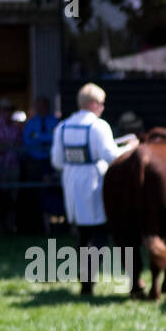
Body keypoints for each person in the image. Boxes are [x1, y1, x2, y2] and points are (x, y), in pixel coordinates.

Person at [50, 82, 138, 295]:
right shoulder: (99, 126)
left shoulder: (62, 126)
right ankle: (88, 276)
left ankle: (84, 275)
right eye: (100, 103)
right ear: (92, 103)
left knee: (82, 232)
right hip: (94, 182)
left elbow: (57, 161)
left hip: (71, 183)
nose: (102, 108)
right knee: (100, 232)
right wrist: (131, 147)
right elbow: (112, 156)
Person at [21, 96, 61, 234]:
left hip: (51, 162)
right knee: (35, 192)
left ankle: (57, 226)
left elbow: (56, 139)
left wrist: (38, 136)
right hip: (35, 163)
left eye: (43, 105)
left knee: (53, 191)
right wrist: (46, 137)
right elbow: (27, 141)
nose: (41, 108)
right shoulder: (31, 123)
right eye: (38, 105)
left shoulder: (55, 122)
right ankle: (38, 226)